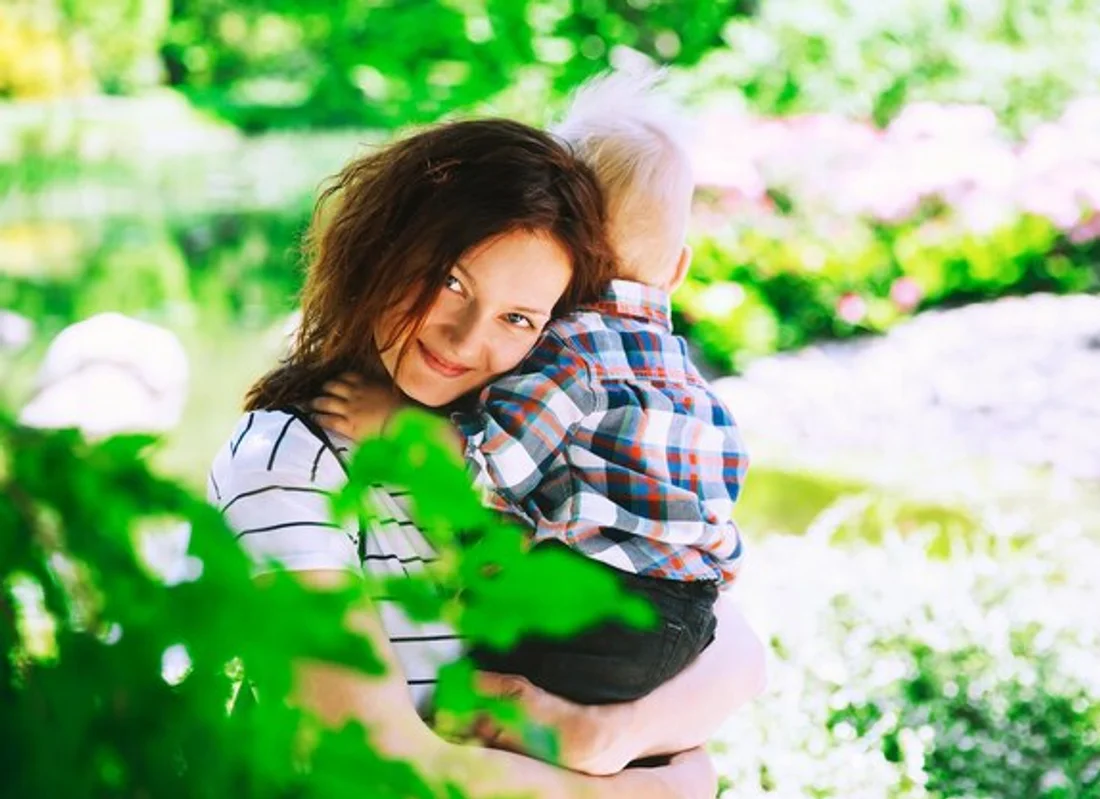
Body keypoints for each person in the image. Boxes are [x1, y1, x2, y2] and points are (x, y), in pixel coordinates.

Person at [208, 117, 765, 798]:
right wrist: (645, 789)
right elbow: (370, 764)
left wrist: (611, 737)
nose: (466, 338)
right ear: (381, 247)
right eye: (450, 282)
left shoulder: (518, 448)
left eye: (519, 318)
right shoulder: (290, 461)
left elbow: (736, 650)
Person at [317, 70, 747, 710]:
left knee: (470, 682)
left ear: (566, 241)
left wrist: (392, 423)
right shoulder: (688, 379)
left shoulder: (569, 350)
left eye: (517, 315)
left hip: (596, 609)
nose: (474, 338)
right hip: (691, 614)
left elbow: (492, 462)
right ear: (679, 269)